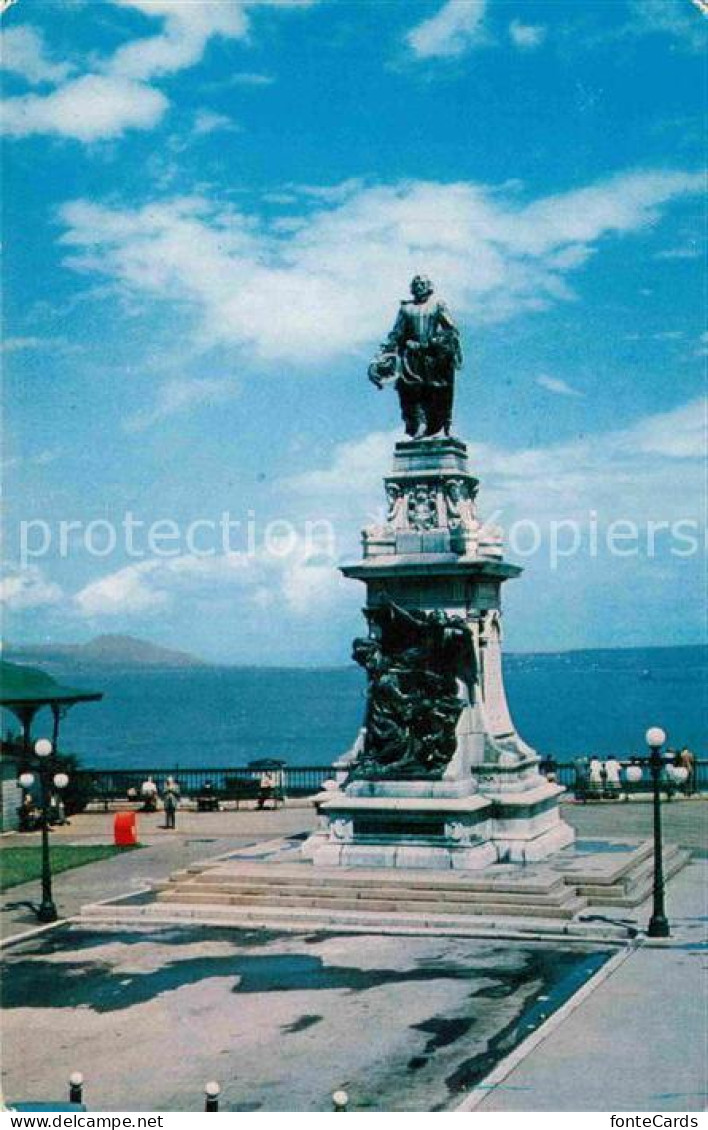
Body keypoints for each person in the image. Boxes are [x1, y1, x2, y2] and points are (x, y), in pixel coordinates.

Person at [369, 276, 463, 439]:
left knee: (435, 391)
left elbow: (451, 330)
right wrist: (383, 353)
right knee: (411, 391)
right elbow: (396, 334)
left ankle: (439, 427)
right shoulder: (406, 309)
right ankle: (420, 423)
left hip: (432, 357)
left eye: (422, 284)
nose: (419, 287)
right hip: (411, 357)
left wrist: (429, 343)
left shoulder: (437, 306)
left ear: (429, 287)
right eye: (416, 284)